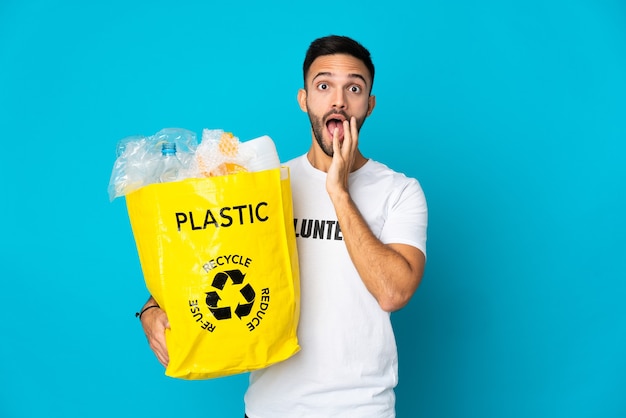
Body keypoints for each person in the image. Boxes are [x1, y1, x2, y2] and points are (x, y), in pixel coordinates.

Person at [138, 34, 428, 417]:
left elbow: (393, 292)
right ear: (304, 99)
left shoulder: (400, 191)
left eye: (353, 88)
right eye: (324, 86)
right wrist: (152, 308)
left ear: (369, 105)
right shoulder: (265, 185)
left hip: (362, 408)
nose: (338, 100)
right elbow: (206, 260)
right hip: (269, 408)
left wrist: (338, 192)